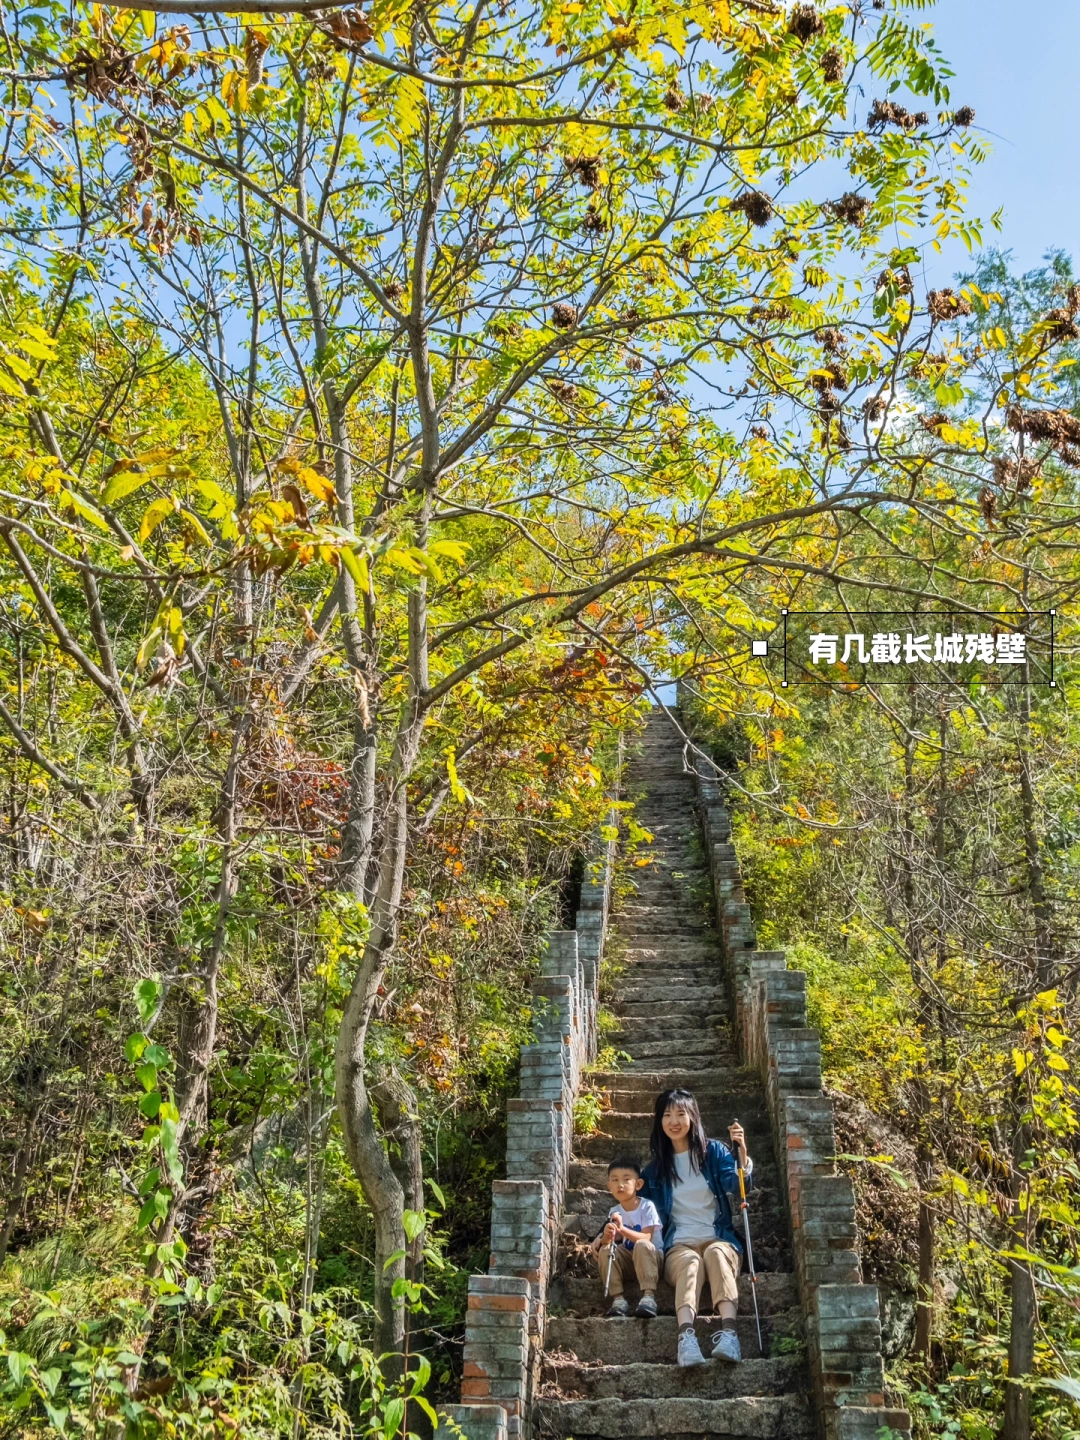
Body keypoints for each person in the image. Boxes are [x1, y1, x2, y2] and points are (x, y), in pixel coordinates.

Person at [640, 1087, 752, 1366]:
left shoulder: (713, 1152)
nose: (674, 1121)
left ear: (693, 1117)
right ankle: (686, 1339)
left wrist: (742, 1156)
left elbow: (737, 1186)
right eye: (667, 1115)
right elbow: (634, 1206)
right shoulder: (654, 1171)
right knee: (691, 1261)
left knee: (715, 1253)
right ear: (659, 1121)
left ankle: (730, 1335)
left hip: (719, 1238)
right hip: (679, 1245)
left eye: (681, 1114)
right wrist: (605, 1234)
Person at [590, 1156, 663, 1317]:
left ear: (638, 1184)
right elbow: (611, 1240)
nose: (620, 1185)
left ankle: (649, 1297)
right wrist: (604, 1238)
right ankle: (618, 1299)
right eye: (615, 1180)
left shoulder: (646, 1206)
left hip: (652, 1259)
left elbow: (646, 1237)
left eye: (626, 1179)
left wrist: (621, 1228)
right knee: (606, 1250)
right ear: (609, 1186)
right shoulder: (614, 1211)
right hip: (629, 1261)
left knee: (642, 1245)